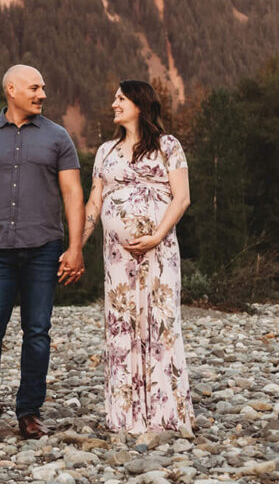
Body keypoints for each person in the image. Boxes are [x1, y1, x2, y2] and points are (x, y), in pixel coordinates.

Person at [0, 64, 86, 442]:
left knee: (37, 332)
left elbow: (73, 193)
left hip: (44, 250)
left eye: (43, 88)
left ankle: (29, 414)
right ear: (12, 89)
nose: (43, 95)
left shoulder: (58, 137)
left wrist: (75, 247)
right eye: (35, 88)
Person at [83, 78, 195, 437]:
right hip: (118, 257)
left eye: (121, 98)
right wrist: (75, 246)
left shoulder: (167, 146)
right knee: (122, 325)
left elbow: (182, 198)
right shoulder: (105, 151)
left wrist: (156, 236)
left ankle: (166, 415)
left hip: (159, 252)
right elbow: (94, 202)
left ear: (139, 104)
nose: (114, 104)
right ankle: (126, 415)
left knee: (160, 323)